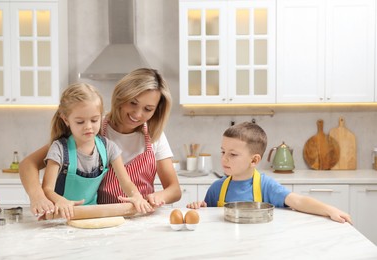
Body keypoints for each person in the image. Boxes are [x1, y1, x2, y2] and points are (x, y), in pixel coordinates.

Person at [19, 68, 181, 218]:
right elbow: (28, 164)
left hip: (141, 217)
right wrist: (39, 197)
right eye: (133, 103)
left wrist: (156, 197)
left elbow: (174, 190)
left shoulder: (154, 136)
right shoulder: (91, 128)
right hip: (101, 218)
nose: (137, 114)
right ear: (121, 96)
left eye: (148, 109)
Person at [186, 122, 352, 224]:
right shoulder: (216, 188)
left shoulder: (267, 186)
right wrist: (198, 208)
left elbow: (299, 201)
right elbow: (208, 219)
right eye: (223, 152)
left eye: (233, 154)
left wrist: (329, 210)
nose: (224, 159)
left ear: (254, 160)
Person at [42, 83, 151, 219]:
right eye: (80, 122)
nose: (88, 127)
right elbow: (47, 189)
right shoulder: (58, 149)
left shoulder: (109, 148)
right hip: (60, 217)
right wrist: (59, 200)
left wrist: (136, 195)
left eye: (94, 120)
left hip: (92, 216)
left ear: (101, 116)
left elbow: (126, 182)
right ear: (66, 119)